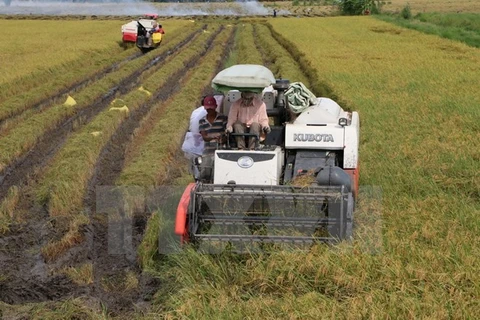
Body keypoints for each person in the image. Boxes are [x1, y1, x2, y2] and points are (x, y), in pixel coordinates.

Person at [198, 95, 228, 181]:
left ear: (215, 107)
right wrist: (212, 137)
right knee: (205, 172)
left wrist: (222, 138)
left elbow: (227, 134)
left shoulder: (223, 118)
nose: (209, 110)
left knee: (220, 173)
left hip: (221, 150)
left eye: (211, 108)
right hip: (208, 151)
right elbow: (204, 137)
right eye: (208, 109)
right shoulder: (202, 121)